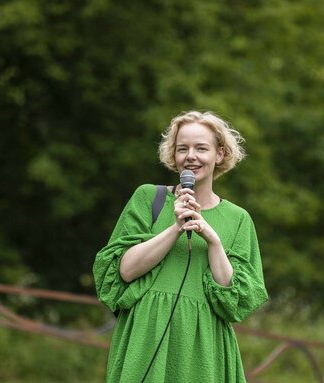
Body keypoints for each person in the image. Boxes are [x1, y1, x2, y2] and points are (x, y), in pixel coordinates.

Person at [93, 110, 268, 382]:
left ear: (219, 154)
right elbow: (124, 271)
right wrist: (176, 227)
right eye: (182, 148)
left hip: (204, 343)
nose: (191, 156)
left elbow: (233, 302)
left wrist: (214, 242)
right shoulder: (148, 198)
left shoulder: (238, 219)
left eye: (201, 148)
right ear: (173, 155)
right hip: (146, 334)